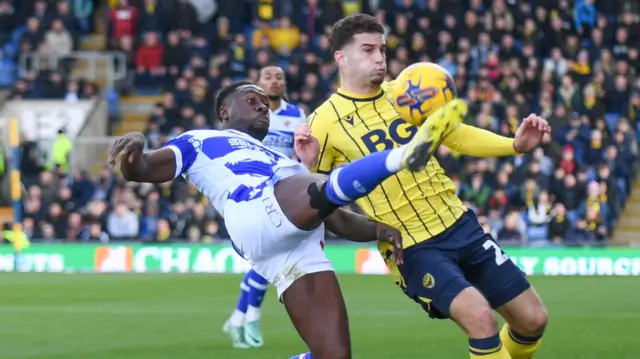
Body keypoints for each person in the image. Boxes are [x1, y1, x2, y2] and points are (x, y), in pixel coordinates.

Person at [108, 81, 464, 359]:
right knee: (316, 187)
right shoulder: (200, 140)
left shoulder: (282, 161)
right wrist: (137, 144)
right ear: (225, 111)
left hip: (294, 246)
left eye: (266, 104)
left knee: (334, 355)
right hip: (253, 212)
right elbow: (140, 169)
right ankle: (402, 156)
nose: (263, 106)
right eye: (252, 101)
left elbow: (335, 219)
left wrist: (377, 229)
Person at [294, 14, 550, 359]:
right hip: (411, 246)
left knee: (533, 320)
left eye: (382, 50)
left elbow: (454, 134)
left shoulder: (405, 94)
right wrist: (306, 166)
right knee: (480, 319)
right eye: (368, 50)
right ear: (341, 57)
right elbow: (313, 195)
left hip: (460, 225)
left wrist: (514, 145)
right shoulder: (323, 122)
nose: (380, 58)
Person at [223, 64, 309, 348]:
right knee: (265, 253)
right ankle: (243, 316)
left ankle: (244, 316)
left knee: (266, 252)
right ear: (257, 83)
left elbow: (302, 152)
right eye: (268, 77)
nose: (274, 82)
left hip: (284, 191)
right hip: (251, 190)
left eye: (279, 77)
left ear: (285, 83)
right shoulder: (246, 114)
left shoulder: (297, 115)